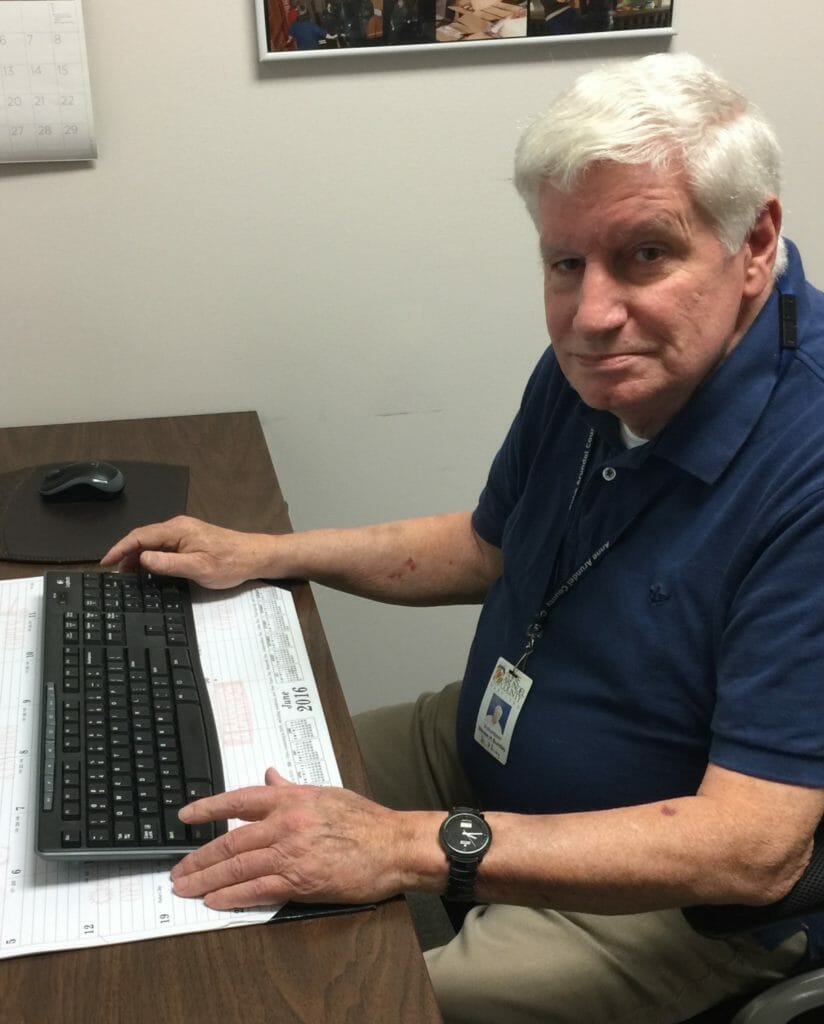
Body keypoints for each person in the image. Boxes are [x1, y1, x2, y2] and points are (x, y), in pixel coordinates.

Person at [101, 53, 824, 1024]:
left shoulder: (806, 460)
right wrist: (266, 552)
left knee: (324, 1004)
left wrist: (404, 843)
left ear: (753, 240)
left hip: (675, 899)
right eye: (564, 262)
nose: (591, 312)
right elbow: (487, 547)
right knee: (198, 786)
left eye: (644, 254)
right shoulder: (597, 365)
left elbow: (752, 844)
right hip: (484, 743)